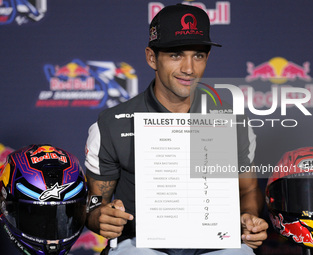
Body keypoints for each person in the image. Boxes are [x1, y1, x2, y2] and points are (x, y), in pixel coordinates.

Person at [85, 4, 268, 255]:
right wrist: (100, 218)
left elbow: (247, 189)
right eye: (176, 55)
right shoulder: (112, 124)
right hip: (143, 246)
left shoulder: (232, 121)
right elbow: (95, 205)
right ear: (152, 58)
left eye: (199, 55)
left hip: (215, 245)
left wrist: (250, 216)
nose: (189, 68)